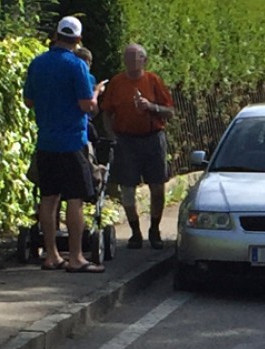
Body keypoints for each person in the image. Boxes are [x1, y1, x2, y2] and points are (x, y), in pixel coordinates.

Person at [23, 16, 105, 273]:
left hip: (46, 141)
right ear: (78, 40)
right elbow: (86, 106)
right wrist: (96, 94)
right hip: (72, 142)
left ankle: (51, 255)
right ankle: (77, 257)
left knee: (48, 199)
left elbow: (28, 102)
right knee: (75, 200)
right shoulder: (76, 66)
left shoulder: (37, 63)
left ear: (55, 35)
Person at [100, 44, 174, 250]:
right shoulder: (117, 82)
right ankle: (135, 232)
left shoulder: (153, 81)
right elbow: (106, 112)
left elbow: (170, 111)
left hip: (152, 138)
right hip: (125, 141)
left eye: (135, 58)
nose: (131, 62)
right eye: (127, 58)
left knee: (157, 187)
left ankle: (155, 229)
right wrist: (111, 135)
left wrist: (151, 107)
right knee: (127, 188)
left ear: (144, 60)